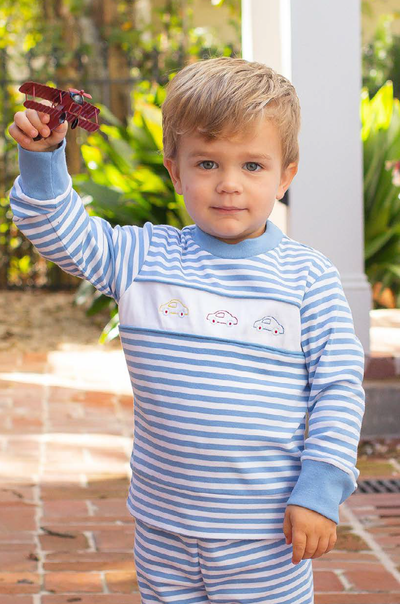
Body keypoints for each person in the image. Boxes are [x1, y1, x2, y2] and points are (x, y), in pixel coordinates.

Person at [9, 57, 365, 604]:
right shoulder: (143, 257)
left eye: (252, 166)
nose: (228, 185)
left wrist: (320, 492)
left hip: (265, 531)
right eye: (206, 164)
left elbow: (339, 388)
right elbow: (60, 232)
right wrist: (42, 159)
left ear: (285, 175)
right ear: (175, 171)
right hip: (163, 526)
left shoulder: (307, 279)